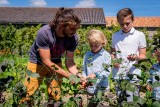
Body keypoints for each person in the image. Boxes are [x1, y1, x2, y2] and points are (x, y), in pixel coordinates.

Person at [23, 7, 81, 102]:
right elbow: (46, 61)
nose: (75, 31)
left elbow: (70, 62)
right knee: (28, 94)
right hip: (37, 63)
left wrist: (77, 75)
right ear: (62, 25)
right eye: (72, 28)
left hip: (56, 62)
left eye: (77, 28)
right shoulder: (45, 33)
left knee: (55, 95)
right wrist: (67, 74)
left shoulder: (73, 38)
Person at [111, 8, 146, 102]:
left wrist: (136, 57)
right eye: (122, 24)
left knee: (131, 101)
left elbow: (143, 55)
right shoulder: (115, 36)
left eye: (128, 23)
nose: (125, 26)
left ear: (132, 20)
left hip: (133, 74)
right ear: (118, 22)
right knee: (121, 101)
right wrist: (113, 60)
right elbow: (113, 52)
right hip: (118, 74)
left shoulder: (139, 35)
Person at [81, 29, 111, 95]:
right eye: (91, 45)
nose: (93, 48)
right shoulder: (87, 55)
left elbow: (107, 71)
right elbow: (84, 69)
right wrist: (84, 78)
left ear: (102, 43)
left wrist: (96, 74)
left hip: (102, 88)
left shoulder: (106, 55)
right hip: (90, 88)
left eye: (96, 45)